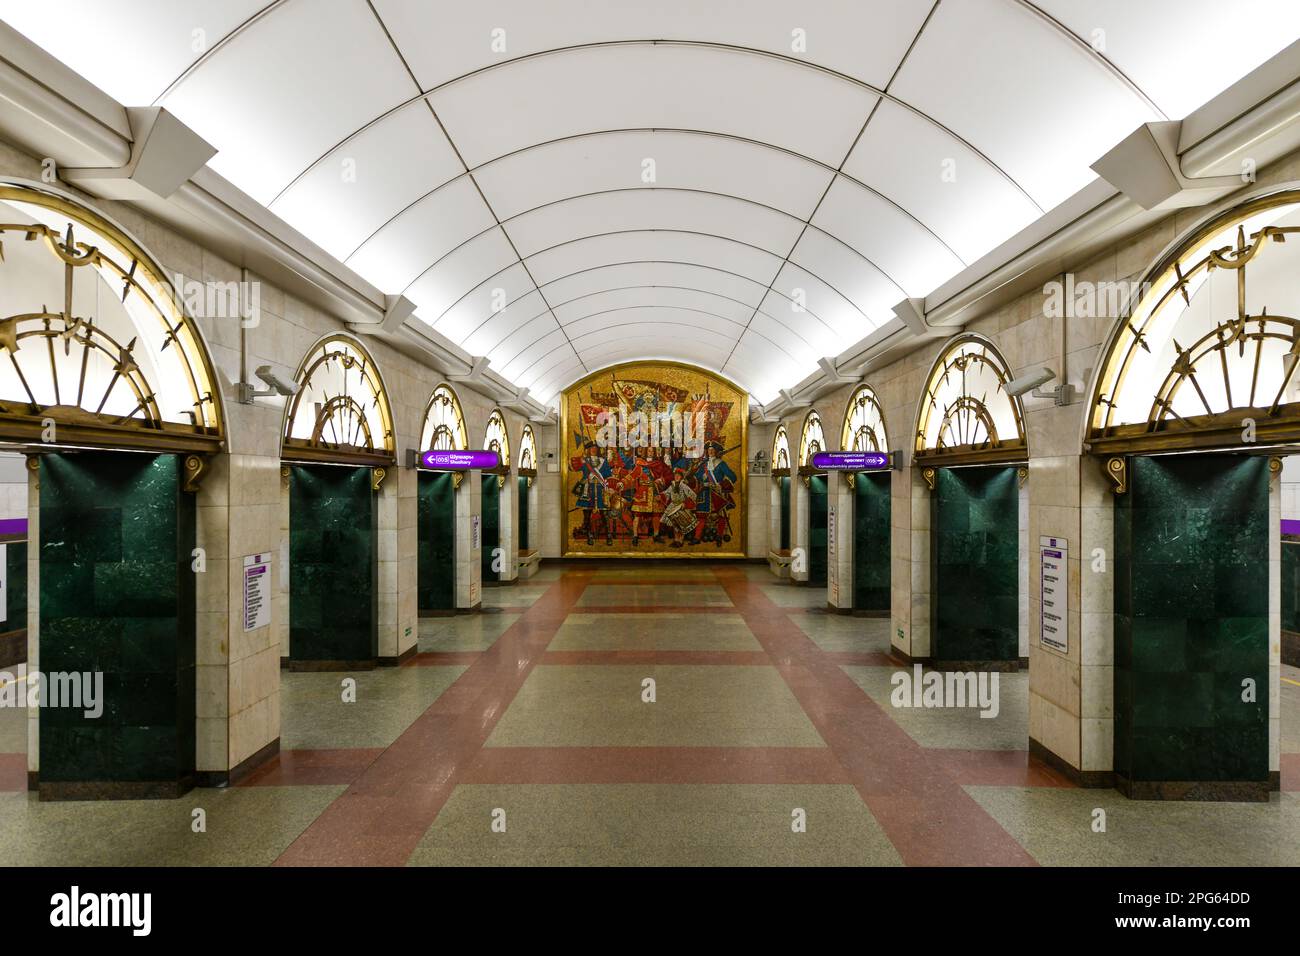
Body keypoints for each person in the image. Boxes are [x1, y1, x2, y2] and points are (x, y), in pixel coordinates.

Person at [691, 440, 737, 546]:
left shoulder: (721, 464)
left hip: (718, 493)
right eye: (709, 450)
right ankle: (697, 538)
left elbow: (733, 477)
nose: (710, 452)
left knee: (720, 516)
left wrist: (722, 485)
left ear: (716, 451)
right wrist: (699, 478)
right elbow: (696, 477)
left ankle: (719, 537)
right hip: (705, 493)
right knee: (701, 516)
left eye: (712, 450)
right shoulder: (703, 464)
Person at [570, 440, 612, 546]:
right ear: (588, 450)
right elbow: (571, 467)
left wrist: (607, 485)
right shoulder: (584, 460)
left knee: (604, 515)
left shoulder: (603, 461)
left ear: (597, 449)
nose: (593, 449)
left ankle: (608, 536)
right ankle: (589, 535)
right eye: (591, 448)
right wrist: (581, 458)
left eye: (595, 448)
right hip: (587, 490)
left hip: (600, 490)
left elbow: (607, 475)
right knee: (587, 515)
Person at [659, 468, 698, 548]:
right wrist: (661, 496)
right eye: (675, 475)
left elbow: (693, 495)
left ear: (681, 477)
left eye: (678, 476)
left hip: (682, 506)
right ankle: (676, 540)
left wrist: (685, 503)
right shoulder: (672, 485)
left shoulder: (684, 486)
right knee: (675, 525)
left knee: (681, 524)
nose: (676, 477)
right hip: (673, 506)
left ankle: (681, 540)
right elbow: (666, 493)